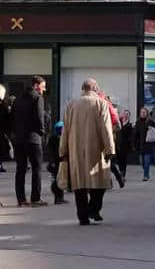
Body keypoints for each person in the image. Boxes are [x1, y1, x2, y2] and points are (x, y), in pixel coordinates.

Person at [60, 78, 115, 226]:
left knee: (80, 185)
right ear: (95, 88)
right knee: (100, 182)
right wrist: (110, 148)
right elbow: (106, 128)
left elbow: (66, 129)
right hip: (96, 149)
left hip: (75, 149)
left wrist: (63, 149)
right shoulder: (101, 103)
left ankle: (82, 217)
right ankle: (94, 208)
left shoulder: (71, 104)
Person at [12, 75, 47, 207]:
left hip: (19, 139)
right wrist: (42, 132)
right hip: (33, 139)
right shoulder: (37, 97)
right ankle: (35, 198)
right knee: (36, 169)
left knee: (20, 169)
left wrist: (15, 133)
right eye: (43, 87)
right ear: (36, 85)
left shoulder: (17, 99)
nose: (44, 90)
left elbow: (12, 118)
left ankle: (21, 199)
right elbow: (39, 117)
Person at [46, 121, 68, 205]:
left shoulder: (53, 137)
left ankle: (59, 198)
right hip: (58, 163)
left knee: (59, 180)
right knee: (59, 180)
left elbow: (49, 151)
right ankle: (59, 198)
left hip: (57, 162)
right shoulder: (59, 138)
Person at [134, 107, 155, 181]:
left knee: (147, 161)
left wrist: (151, 128)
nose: (143, 113)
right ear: (140, 114)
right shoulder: (138, 122)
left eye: (144, 112)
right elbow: (135, 134)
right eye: (142, 112)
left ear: (147, 113)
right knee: (142, 162)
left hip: (148, 144)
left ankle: (145, 175)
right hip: (141, 144)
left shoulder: (150, 122)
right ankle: (146, 172)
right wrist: (134, 144)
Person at [116, 110, 134, 180]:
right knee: (119, 160)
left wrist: (131, 145)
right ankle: (121, 171)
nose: (126, 115)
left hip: (125, 144)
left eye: (127, 114)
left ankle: (123, 175)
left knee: (124, 160)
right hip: (117, 143)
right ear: (122, 114)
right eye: (124, 114)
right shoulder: (118, 122)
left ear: (129, 116)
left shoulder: (130, 124)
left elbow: (131, 135)